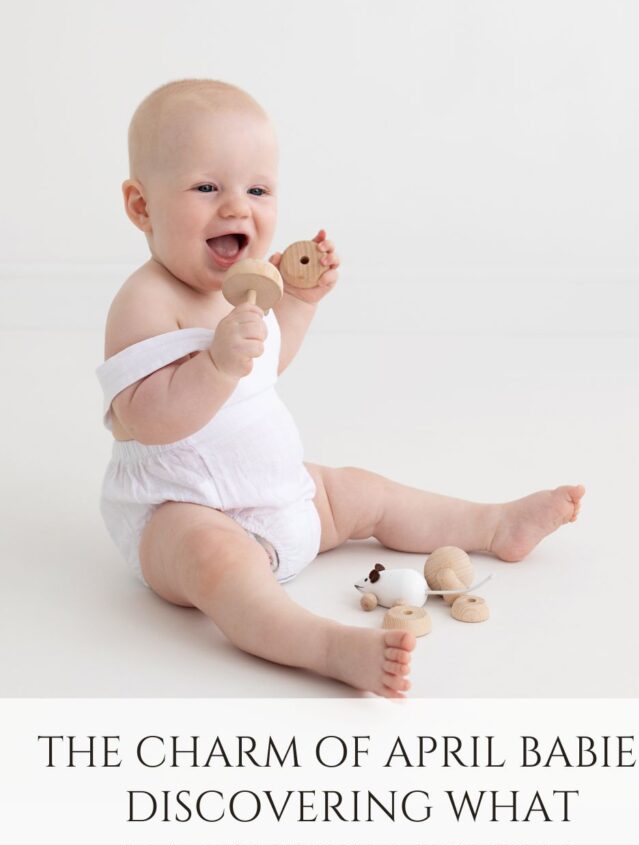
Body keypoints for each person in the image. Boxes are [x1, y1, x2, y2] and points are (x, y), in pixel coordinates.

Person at [96, 78, 584, 698]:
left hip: (282, 492)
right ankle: (325, 646)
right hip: (184, 510)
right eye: (207, 188)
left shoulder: (245, 291)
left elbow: (265, 366)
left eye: (258, 190)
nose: (237, 209)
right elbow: (143, 419)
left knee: (363, 491)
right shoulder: (145, 301)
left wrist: (297, 304)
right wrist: (213, 365)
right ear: (142, 206)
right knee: (216, 563)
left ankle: (491, 525)